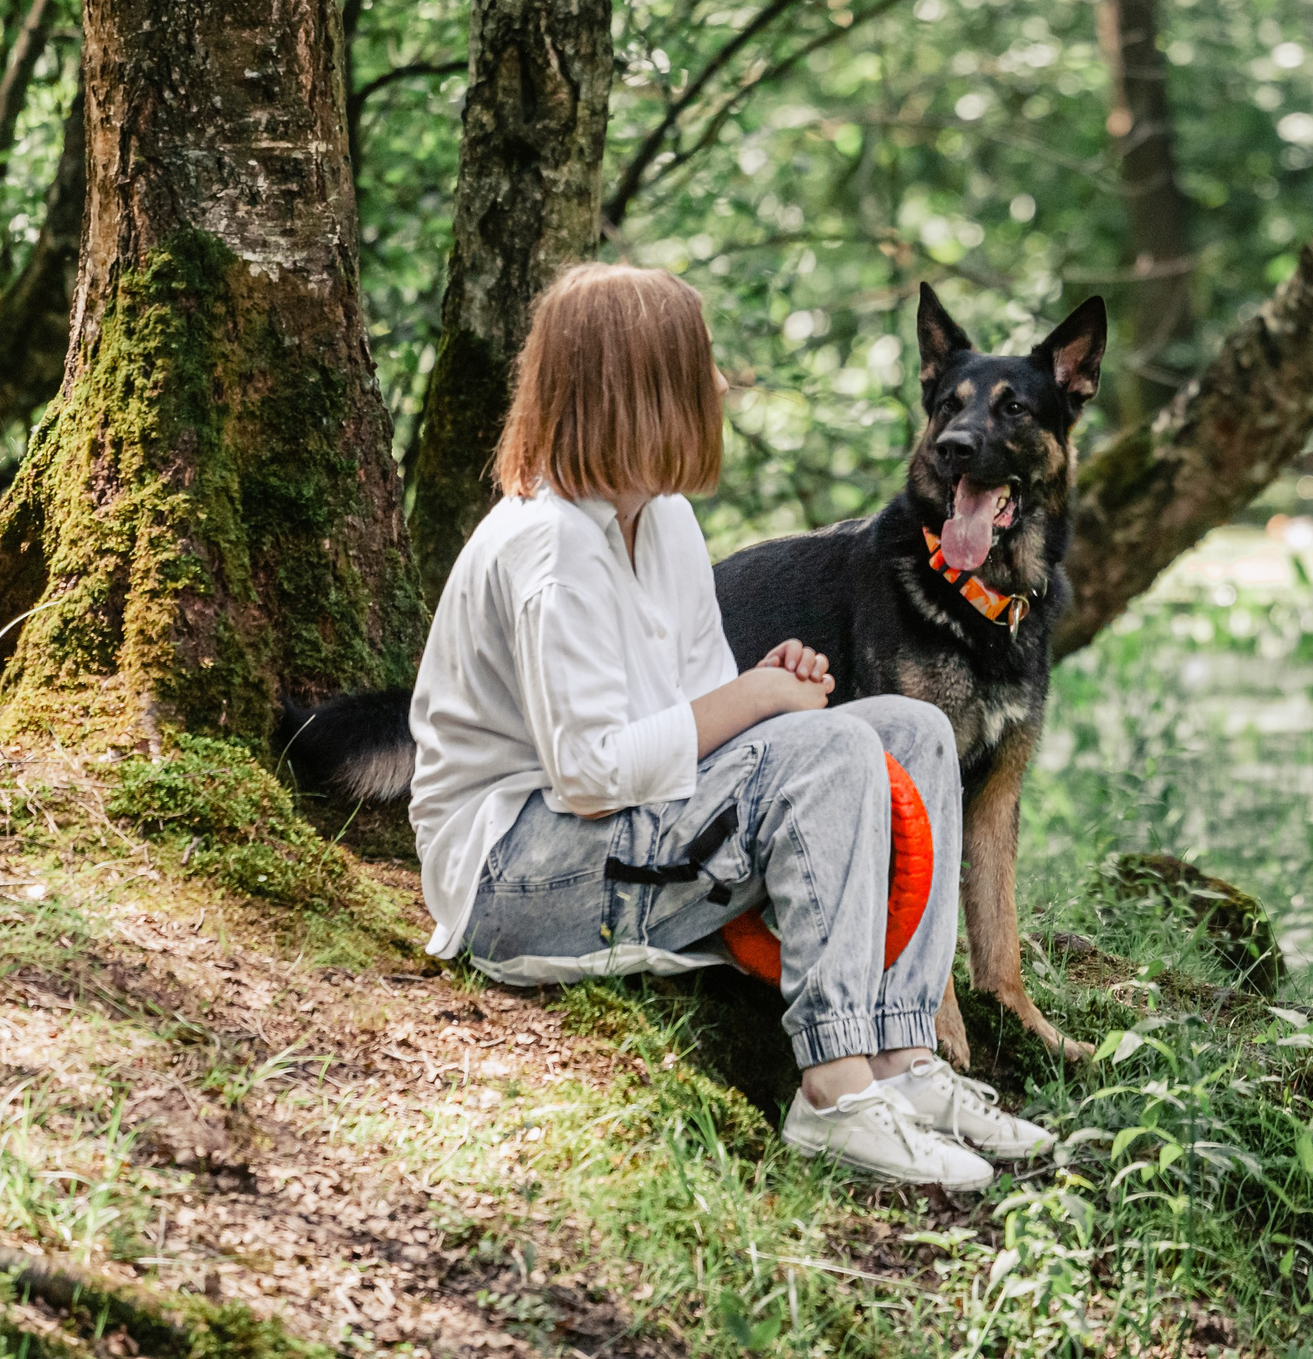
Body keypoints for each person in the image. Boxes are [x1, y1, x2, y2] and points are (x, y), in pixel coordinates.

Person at [409, 263, 1053, 1189]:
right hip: (515, 879)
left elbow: (703, 702)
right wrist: (757, 705)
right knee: (831, 745)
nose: (720, 384)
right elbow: (588, 774)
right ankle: (835, 1091)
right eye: (700, 365)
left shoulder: (660, 519)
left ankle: (906, 1060)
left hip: (620, 832)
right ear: (641, 387)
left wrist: (761, 685)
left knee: (910, 728)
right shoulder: (549, 543)